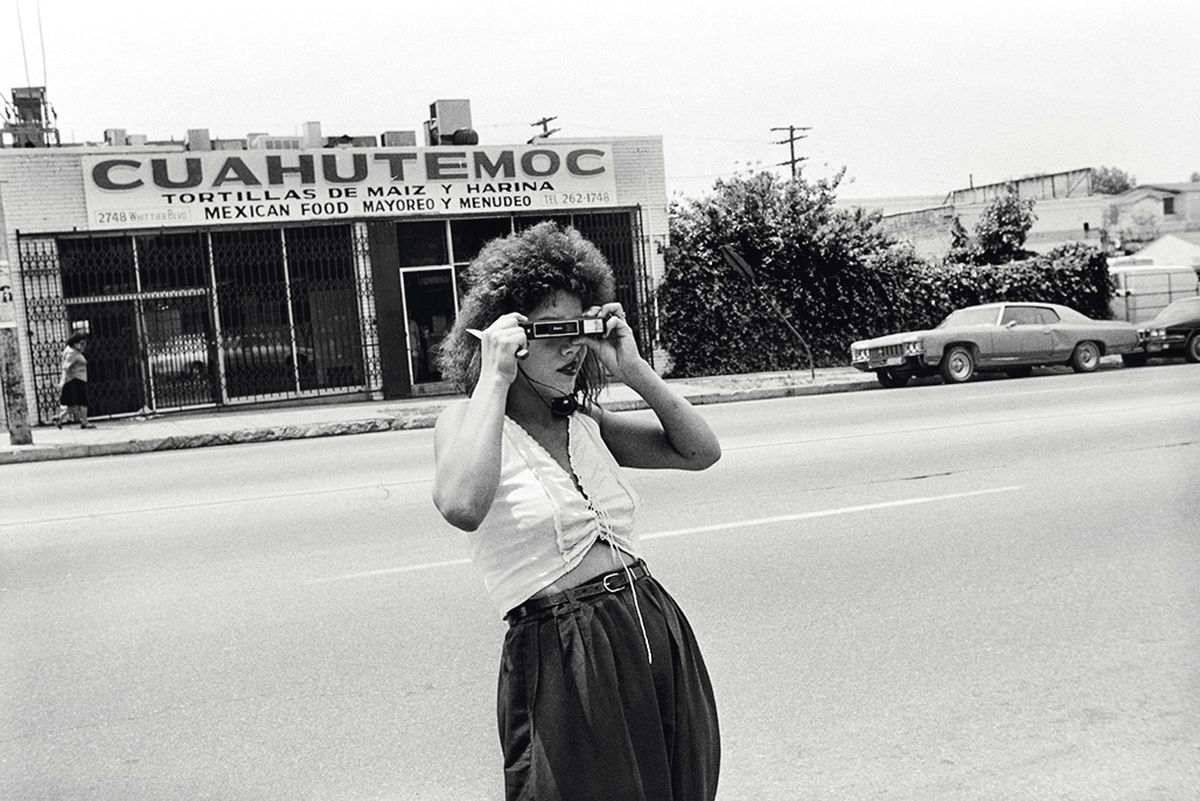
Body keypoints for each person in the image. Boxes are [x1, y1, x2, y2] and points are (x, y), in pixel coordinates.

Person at [432, 222, 722, 801]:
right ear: (505, 334)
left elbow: (700, 451)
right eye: (553, 331)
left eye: (580, 331)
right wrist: (494, 375)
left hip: (650, 625)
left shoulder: (586, 423)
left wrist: (632, 369)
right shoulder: (464, 421)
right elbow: (462, 505)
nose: (571, 349)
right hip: (563, 649)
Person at [53, 331, 94, 429]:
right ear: (75, 342)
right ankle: (84, 422)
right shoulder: (72, 353)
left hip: (77, 379)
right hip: (76, 380)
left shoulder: (73, 351)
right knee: (83, 402)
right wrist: (62, 381)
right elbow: (65, 367)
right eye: (81, 343)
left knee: (75, 404)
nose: (83, 346)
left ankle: (59, 417)